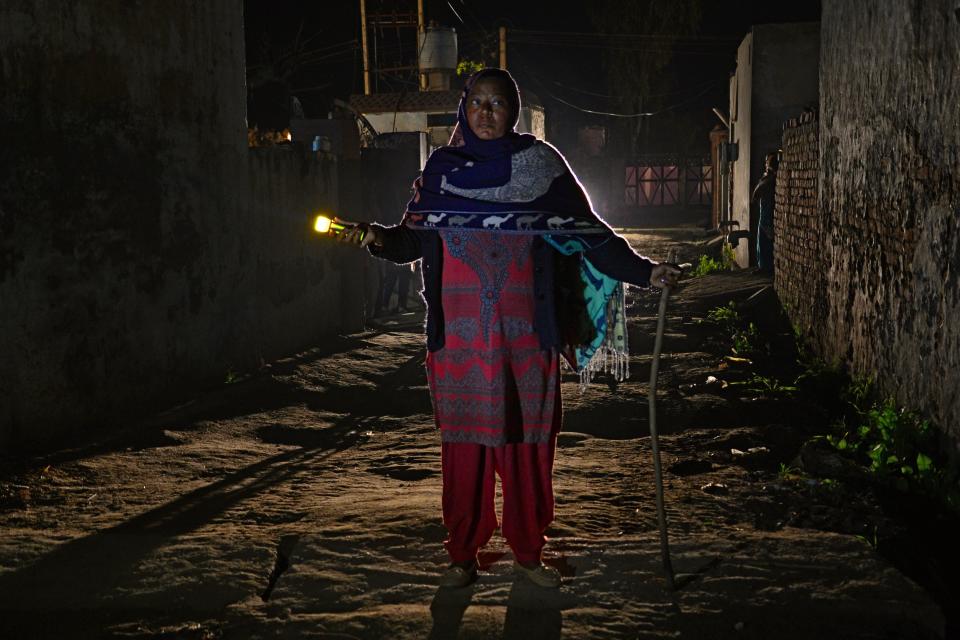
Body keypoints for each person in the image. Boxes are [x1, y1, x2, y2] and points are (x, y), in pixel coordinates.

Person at [338, 68, 680, 589]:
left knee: (527, 451)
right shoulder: (441, 173)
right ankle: (461, 556)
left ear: (512, 111)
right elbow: (411, 241)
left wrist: (645, 270)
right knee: (465, 455)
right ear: (464, 108)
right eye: (477, 102)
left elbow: (590, 234)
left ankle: (527, 555)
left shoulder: (540, 167)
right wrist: (374, 237)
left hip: (526, 343)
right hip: (459, 345)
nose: (486, 113)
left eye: (497, 104)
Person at [752, 151, 779, 273]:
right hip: (764, 211)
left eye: (767, 162)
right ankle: (763, 265)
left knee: (765, 241)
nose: (766, 164)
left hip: (768, 212)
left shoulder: (771, 177)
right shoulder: (767, 177)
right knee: (762, 241)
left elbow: (759, 190)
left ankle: (766, 266)